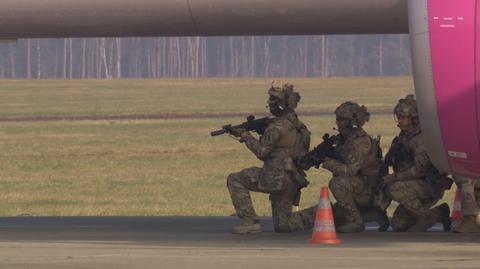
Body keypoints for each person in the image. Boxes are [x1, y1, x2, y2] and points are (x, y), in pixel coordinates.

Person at [226, 82, 316, 234]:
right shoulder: (300, 127)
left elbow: (262, 152)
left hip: (274, 178)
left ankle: (249, 221)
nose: (270, 103)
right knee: (283, 225)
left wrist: (244, 135)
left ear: (282, 103)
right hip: (291, 180)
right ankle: (324, 213)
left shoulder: (276, 127)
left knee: (235, 179)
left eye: (274, 101)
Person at [382, 95, 452, 232]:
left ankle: (425, 216)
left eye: (403, 117)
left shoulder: (420, 139)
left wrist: (394, 177)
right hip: (413, 187)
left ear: (413, 119)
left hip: (428, 185)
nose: (400, 121)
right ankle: (440, 213)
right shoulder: (404, 136)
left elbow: (419, 170)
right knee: (398, 224)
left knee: (394, 188)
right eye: (399, 117)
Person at [316, 101, 387, 233]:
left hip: (368, 190)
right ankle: (372, 216)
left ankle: (356, 222)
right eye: (337, 119)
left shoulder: (360, 142)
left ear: (351, 122)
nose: (337, 123)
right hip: (356, 188)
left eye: (341, 120)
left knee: (337, 183)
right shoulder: (343, 139)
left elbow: (349, 171)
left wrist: (326, 161)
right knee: (330, 218)